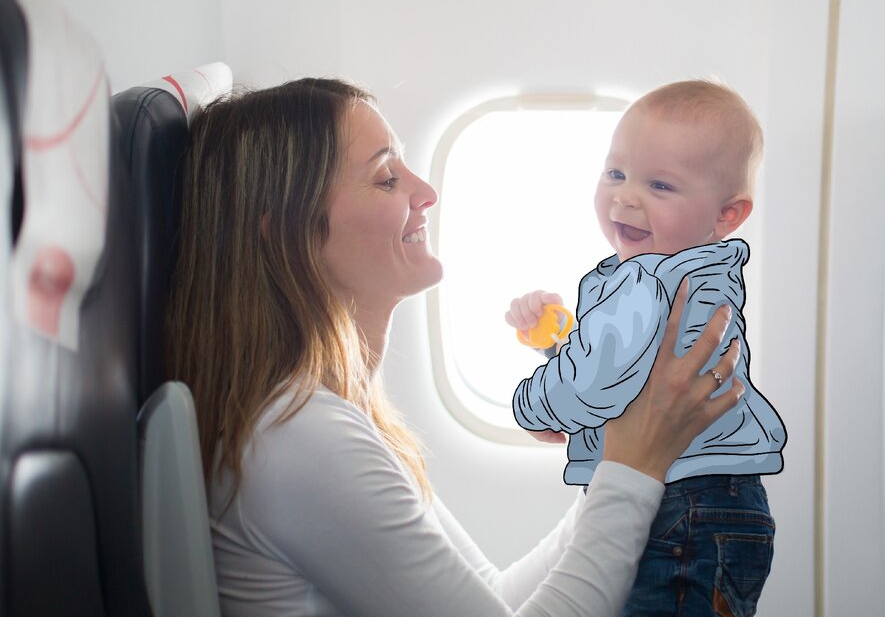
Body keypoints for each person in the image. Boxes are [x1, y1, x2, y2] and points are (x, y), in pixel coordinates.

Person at [164, 77, 746, 617]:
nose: (425, 191)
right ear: (287, 229)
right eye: (386, 177)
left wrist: (624, 452)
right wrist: (632, 465)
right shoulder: (298, 437)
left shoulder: (335, 414)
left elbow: (494, 597)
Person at [506, 79, 788, 617]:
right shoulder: (692, 275)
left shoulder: (646, 281)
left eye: (659, 185)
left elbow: (596, 382)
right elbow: (629, 376)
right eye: (616, 173)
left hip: (682, 509)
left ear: (726, 215)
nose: (625, 196)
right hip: (717, 505)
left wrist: (533, 404)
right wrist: (560, 343)